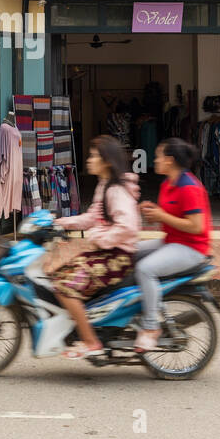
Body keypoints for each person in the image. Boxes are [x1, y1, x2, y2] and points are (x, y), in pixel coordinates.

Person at [50, 135, 141, 359]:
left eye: (93, 156)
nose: (89, 160)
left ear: (107, 161)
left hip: (116, 257)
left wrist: (103, 239)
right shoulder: (105, 185)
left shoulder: (115, 190)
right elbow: (92, 217)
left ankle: (91, 342)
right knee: (57, 275)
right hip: (107, 253)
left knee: (65, 287)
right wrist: (58, 223)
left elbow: (129, 226)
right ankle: (81, 326)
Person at [135, 138, 212, 352]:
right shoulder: (168, 183)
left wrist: (161, 215)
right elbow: (169, 217)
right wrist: (152, 213)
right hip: (172, 241)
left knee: (145, 269)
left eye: (158, 156)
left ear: (169, 160)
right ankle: (142, 309)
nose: (155, 160)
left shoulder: (189, 187)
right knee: (128, 253)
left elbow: (196, 227)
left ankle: (151, 326)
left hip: (191, 248)